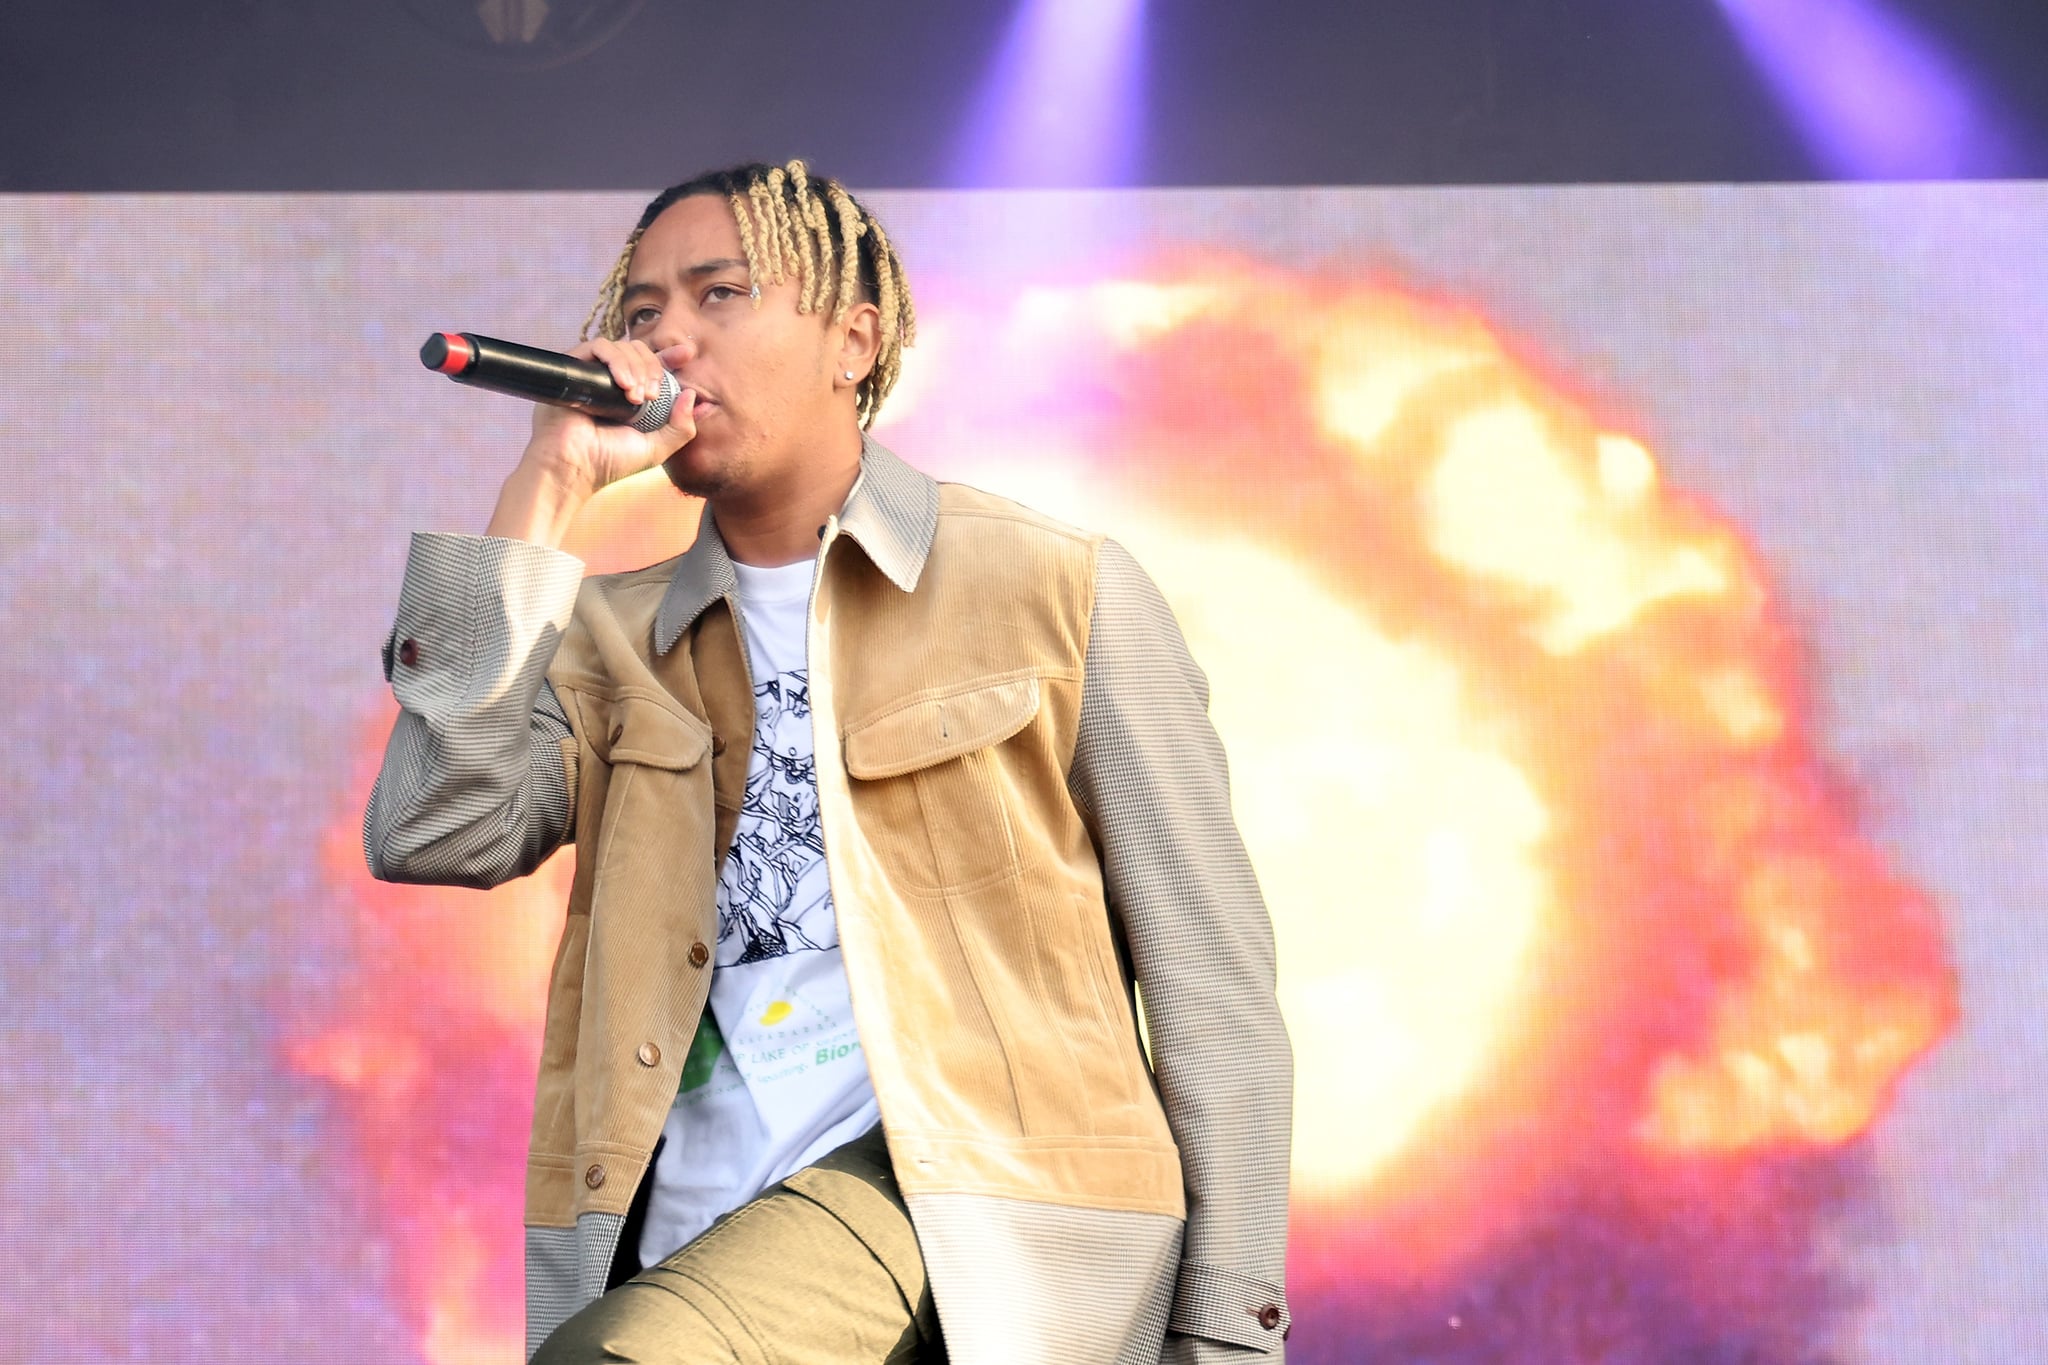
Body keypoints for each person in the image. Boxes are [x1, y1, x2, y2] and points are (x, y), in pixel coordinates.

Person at [365, 159, 1292, 1365]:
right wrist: (546, 488)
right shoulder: (604, 637)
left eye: (719, 295)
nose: (670, 340)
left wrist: (1225, 1331)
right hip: (685, 1229)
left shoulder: (1056, 590)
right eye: (642, 314)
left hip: (976, 1229)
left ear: (853, 339)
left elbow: (1209, 984)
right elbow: (434, 828)